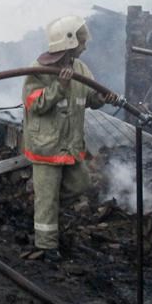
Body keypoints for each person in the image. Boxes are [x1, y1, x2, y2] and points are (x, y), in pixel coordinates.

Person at [22, 15, 120, 259]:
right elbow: (35, 105)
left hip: (70, 146)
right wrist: (59, 87)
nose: (85, 46)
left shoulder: (81, 69)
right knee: (46, 201)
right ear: (69, 42)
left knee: (81, 184)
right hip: (46, 146)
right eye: (82, 41)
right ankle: (46, 247)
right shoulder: (39, 70)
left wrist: (102, 99)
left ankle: (46, 208)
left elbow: (88, 98)